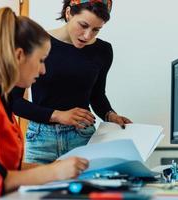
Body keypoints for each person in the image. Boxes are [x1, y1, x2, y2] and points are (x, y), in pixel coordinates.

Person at [11, 0, 132, 164]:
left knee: (87, 189)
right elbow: (13, 101)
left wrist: (110, 115)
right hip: (41, 140)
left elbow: (97, 95)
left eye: (96, 29)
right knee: (36, 189)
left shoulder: (103, 51)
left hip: (82, 137)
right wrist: (58, 116)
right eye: (83, 25)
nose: (88, 35)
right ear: (68, 13)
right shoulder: (37, 44)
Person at [0, 7, 88, 199]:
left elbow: (8, 168)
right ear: (19, 56)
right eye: (41, 60)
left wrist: (56, 168)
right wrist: (55, 172)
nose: (43, 70)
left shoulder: (0, 102)